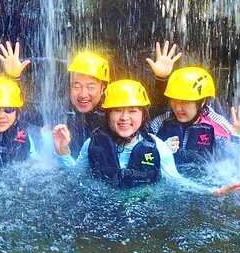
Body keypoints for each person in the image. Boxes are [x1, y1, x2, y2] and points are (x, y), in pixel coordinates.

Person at [51, 79, 183, 187]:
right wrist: (63, 150)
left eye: (132, 111)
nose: (124, 117)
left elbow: (178, 183)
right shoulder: (93, 143)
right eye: (117, 110)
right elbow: (75, 175)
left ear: (143, 116)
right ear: (107, 115)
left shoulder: (158, 148)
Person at [0, 41, 110, 159]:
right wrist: (14, 78)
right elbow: (23, 113)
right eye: (76, 86)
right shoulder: (62, 110)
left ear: (103, 88)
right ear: (69, 86)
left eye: (91, 87)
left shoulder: (112, 117)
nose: (83, 94)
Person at [146, 66, 240, 166]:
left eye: (185, 101)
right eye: (174, 100)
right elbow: (140, 148)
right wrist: (161, 150)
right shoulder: (161, 122)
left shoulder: (217, 126)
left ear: (202, 101)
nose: (178, 108)